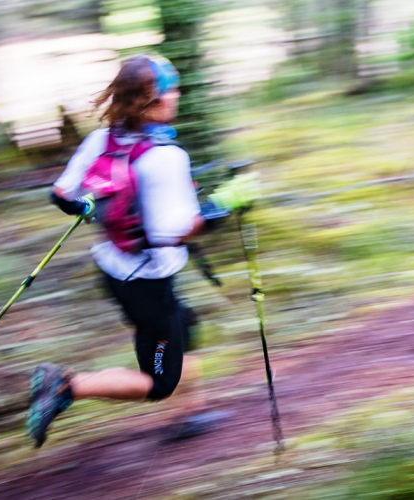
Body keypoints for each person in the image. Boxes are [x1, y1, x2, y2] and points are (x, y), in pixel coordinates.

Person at [25, 54, 257, 447]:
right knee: (158, 382)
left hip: (114, 268)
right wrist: (226, 204)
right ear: (154, 100)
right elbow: (181, 231)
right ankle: (65, 386)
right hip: (148, 282)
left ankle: (189, 414)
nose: (178, 95)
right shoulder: (166, 158)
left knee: (185, 325)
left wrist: (88, 209)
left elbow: (62, 194)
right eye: (172, 88)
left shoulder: (103, 139)